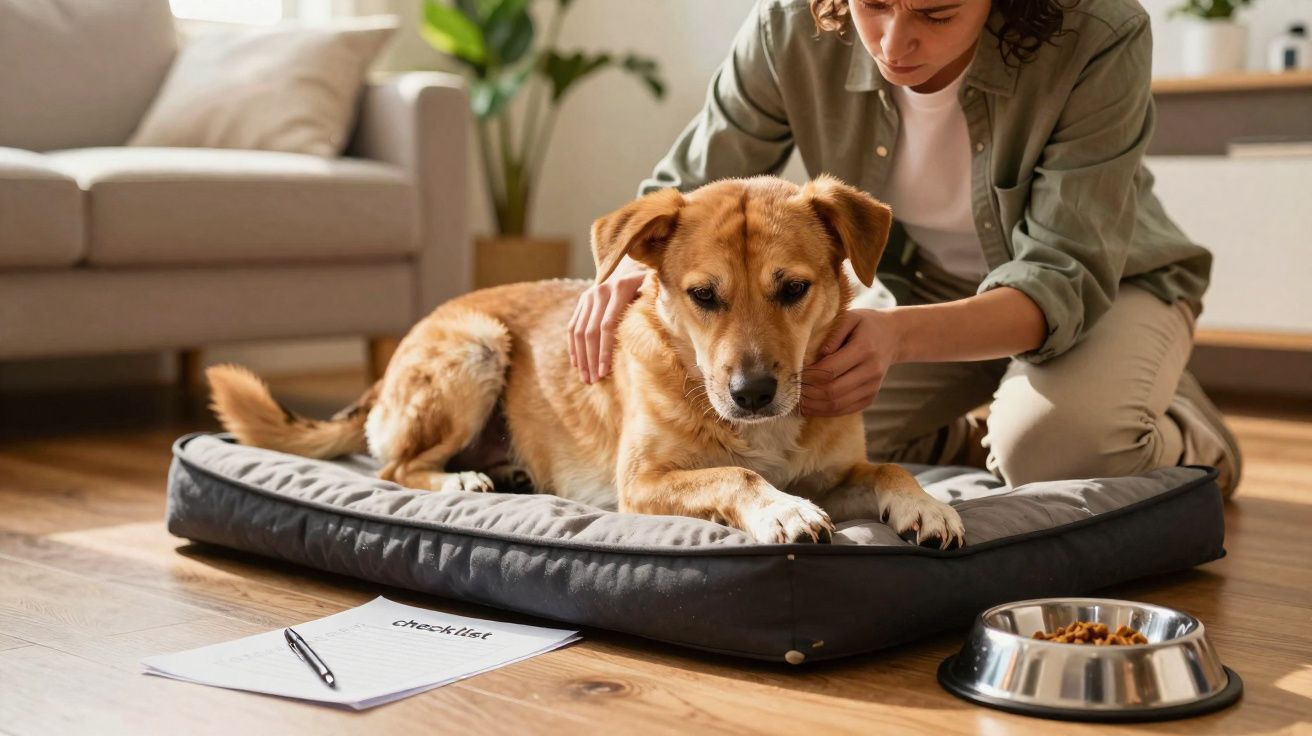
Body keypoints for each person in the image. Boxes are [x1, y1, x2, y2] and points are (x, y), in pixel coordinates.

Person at [567, 0, 1242, 496]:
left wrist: (894, 338)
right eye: (874, 6)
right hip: (926, 288)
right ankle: (965, 433)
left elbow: (1064, 275)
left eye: (936, 12)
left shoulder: (1100, 32)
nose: (893, 43)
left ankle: (1184, 433)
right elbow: (690, 185)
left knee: (1052, 453)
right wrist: (628, 272)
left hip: (1104, 289)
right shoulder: (789, 26)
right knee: (796, 437)